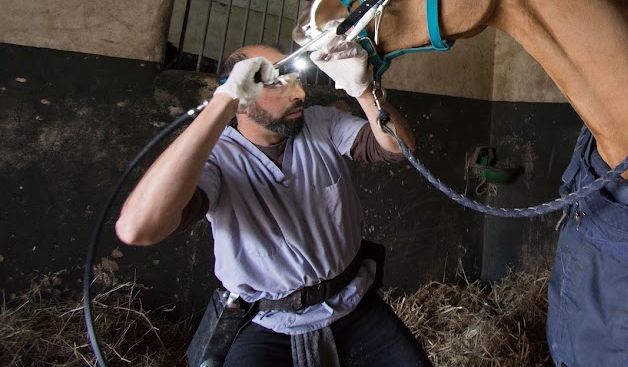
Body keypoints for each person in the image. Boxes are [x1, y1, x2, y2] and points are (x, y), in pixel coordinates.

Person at [116, 35, 432, 367]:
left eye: (294, 79)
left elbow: (398, 147)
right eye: (276, 82)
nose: (299, 93)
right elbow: (138, 228)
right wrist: (221, 102)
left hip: (352, 303)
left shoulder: (320, 123)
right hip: (267, 320)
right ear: (241, 97)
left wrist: (364, 89)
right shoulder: (217, 158)